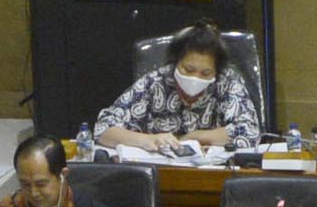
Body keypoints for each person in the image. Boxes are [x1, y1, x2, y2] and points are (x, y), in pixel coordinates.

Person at [90, 21, 261, 155]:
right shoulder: (155, 82)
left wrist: (194, 138)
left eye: (205, 72)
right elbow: (103, 128)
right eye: (189, 69)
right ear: (175, 62)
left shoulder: (227, 83)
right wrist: (149, 140)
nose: (196, 78)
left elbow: (250, 131)